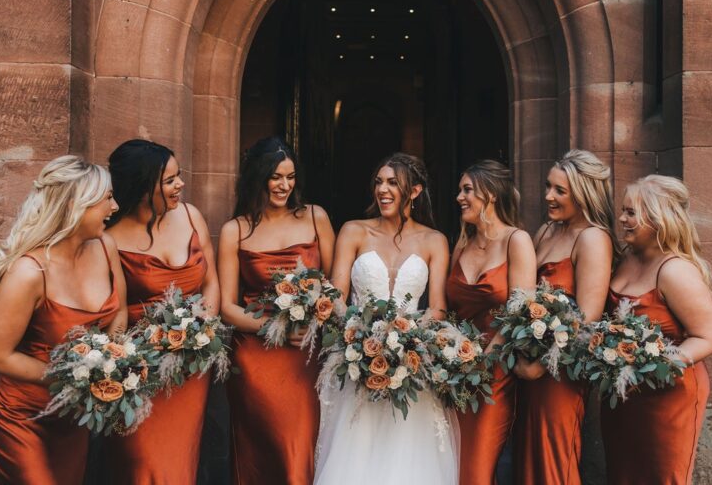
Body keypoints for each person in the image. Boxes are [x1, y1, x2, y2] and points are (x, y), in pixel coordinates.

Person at [314, 152, 459, 485]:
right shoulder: (353, 231)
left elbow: (437, 307)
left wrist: (406, 341)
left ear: (416, 191)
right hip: (357, 362)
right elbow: (336, 298)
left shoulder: (435, 241)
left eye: (393, 183)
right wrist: (362, 339)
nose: (383, 189)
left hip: (411, 363)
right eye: (379, 182)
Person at [0, 156, 125, 484]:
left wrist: (113, 362)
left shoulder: (105, 246)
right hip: (20, 414)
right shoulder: (30, 273)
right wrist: (76, 375)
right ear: (77, 205)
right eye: (107, 198)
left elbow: (120, 312)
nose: (115, 207)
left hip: (72, 411)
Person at [218, 136, 335, 484]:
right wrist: (276, 327)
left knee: (298, 446)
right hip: (256, 357)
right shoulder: (234, 230)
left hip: (304, 353)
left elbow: (333, 287)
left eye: (291, 176)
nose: (285, 185)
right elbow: (227, 307)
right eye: (276, 177)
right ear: (258, 177)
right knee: (260, 450)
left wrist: (314, 322)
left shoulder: (316, 217)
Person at [102, 139, 220, 484]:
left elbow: (211, 282)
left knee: (183, 457)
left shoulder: (191, 215)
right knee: (142, 461)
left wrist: (201, 331)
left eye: (178, 176)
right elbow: (114, 310)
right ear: (142, 188)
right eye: (169, 181)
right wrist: (126, 358)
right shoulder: (109, 237)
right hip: (142, 367)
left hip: (192, 365)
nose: (180, 185)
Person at [601, 175, 712, 484]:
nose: (622, 219)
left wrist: (651, 365)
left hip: (668, 394)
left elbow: (709, 337)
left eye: (631, 213)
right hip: (624, 392)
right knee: (624, 474)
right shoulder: (627, 257)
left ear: (657, 219)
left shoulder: (676, 270)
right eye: (623, 211)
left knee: (662, 476)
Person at [513, 149, 618, 485]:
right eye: (548, 186)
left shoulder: (593, 238)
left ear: (584, 194)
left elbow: (586, 318)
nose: (548, 196)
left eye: (560, 191)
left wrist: (538, 366)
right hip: (529, 366)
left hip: (560, 374)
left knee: (554, 458)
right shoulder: (546, 230)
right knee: (526, 458)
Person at [446, 160, 536, 484]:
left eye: (467, 189)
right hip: (454, 372)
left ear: (491, 194)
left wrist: (484, 358)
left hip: (493, 375)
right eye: (460, 190)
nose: (459, 197)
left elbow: (519, 310)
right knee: (451, 466)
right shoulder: (461, 244)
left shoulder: (517, 240)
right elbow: (451, 314)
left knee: (477, 470)